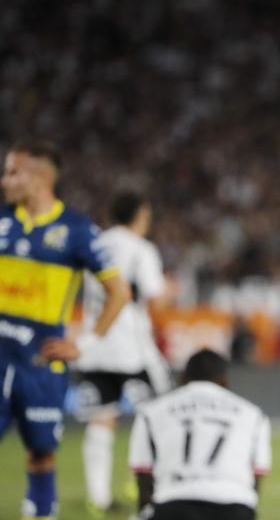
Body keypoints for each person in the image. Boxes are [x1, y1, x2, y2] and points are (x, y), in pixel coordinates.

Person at [0, 139, 131, 520]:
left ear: (39, 178)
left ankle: (41, 511)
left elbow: (119, 292)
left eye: (12, 171)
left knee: (41, 452)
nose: (5, 179)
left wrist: (84, 344)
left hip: (40, 364)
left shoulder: (76, 229)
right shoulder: (3, 220)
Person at [73, 191, 174, 515]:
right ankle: (142, 480)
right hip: (132, 350)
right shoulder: (141, 249)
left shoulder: (95, 244)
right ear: (140, 216)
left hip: (95, 347)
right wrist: (172, 290)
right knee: (157, 416)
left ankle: (97, 497)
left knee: (102, 420)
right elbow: (156, 300)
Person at [128, 349, 271, 520]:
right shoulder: (253, 414)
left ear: (183, 379)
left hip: (174, 503)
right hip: (235, 507)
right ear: (225, 382)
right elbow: (257, 476)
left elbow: (144, 476)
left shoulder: (150, 412)